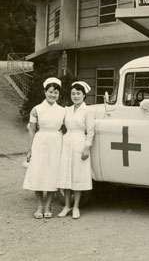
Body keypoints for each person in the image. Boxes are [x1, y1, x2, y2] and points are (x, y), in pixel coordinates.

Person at [23, 77, 66, 219]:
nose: (53, 95)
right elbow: (32, 131)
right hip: (40, 141)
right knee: (39, 172)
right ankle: (39, 206)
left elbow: (67, 128)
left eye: (56, 93)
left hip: (56, 141)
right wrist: (29, 150)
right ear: (45, 92)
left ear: (59, 94)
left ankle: (48, 206)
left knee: (53, 172)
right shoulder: (37, 109)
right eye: (50, 92)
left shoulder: (62, 110)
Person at [56, 81, 95, 219]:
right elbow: (58, 123)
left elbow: (90, 131)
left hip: (79, 143)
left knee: (77, 175)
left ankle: (76, 207)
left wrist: (86, 148)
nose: (75, 96)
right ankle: (66, 206)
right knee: (66, 175)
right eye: (73, 93)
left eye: (78, 93)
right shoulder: (67, 109)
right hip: (67, 143)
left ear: (84, 95)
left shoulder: (88, 110)